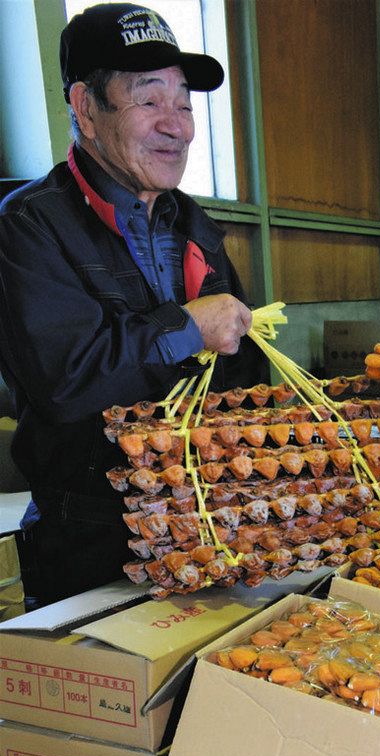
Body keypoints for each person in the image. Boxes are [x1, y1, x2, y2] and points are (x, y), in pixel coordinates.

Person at [0, 3, 266, 606]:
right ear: (86, 108)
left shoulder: (192, 227)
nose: (178, 127)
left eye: (185, 104)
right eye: (150, 101)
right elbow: (64, 381)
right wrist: (184, 330)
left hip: (205, 528)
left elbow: (245, 377)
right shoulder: (29, 229)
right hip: (92, 540)